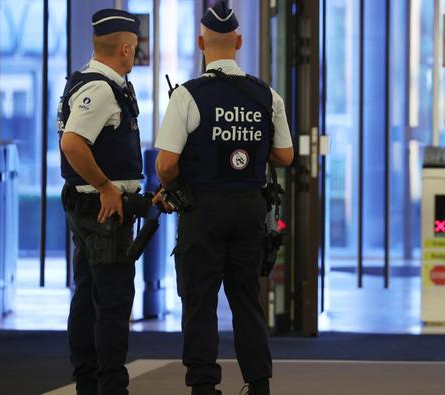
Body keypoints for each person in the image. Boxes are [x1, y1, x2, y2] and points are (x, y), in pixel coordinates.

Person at [153, 2, 294, 394]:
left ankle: (203, 385)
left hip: (204, 209)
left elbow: (165, 165)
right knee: (246, 298)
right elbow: (286, 156)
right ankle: (258, 382)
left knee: (200, 299)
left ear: (201, 43)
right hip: (250, 207)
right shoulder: (267, 95)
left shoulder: (187, 95)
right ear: (240, 42)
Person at [58, 9, 142, 395]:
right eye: (135, 46)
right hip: (101, 210)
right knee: (111, 299)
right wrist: (108, 186)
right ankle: (108, 385)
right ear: (125, 47)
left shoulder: (106, 83)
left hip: (94, 208)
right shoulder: (101, 89)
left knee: (92, 293)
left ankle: (89, 381)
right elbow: (72, 144)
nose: (135, 52)